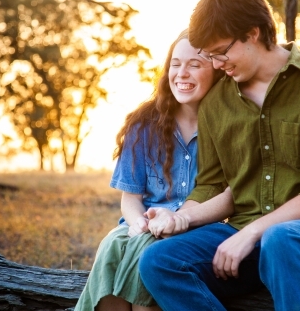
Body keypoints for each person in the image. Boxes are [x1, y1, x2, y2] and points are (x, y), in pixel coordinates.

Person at [139, 0, 300, 311]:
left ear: (254, 32)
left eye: (220, 52)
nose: (217, 64)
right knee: (159, 261)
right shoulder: (217, 103)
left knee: (281, 239)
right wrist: (180, 218)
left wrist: (253, 233)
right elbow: (212, 185)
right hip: (241, 239)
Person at [74, 29, 231, 311]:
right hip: (145, 224)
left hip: (196, 229)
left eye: (194, 64)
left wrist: (179, 220)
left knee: (151, 251)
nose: (182, 73)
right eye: (175, 63)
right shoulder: (144, 124)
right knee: (114, 243)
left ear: (217, 72)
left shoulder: (228, 126)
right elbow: (131, 198)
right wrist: (138, 223)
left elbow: (235, 195)